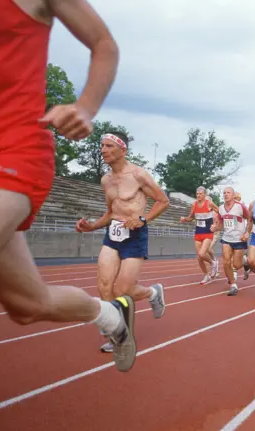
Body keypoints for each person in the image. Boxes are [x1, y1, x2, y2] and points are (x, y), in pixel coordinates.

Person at [0, 0, 140, 378]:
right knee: (27, 304)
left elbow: (104, 44)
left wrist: (85, 107)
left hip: (9, 153)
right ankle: (111, 316)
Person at [75, 132, 169, 353]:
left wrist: (142, 218)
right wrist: (92, 226)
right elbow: (110, 212)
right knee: (104, 287)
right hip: (113, 234)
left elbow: (163, 201)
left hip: (135, 235)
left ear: (122, 150)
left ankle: (153, 293)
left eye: (109, 146)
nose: (103, 150)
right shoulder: (106, 180)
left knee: (123, 289)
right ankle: (119, 334)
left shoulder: (138, 175)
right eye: (102, 146)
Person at [179, 186, 220, 284]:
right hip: (198, 233)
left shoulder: (209, 203)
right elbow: (191, 218)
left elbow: (221, 213)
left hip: (207, 233)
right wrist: (184, 219)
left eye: (200, 194)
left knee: (202, 254)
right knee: (199, 257)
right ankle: (206, 275)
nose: (198, 195)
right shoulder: (194, 205)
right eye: (197, 194)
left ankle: (213, 263)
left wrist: (216, 224)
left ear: (204, 195)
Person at [214, 187, 249, 296]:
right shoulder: (221, 208)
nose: (226, 194)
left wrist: (247, 232)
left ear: (233, 195)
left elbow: (250, 219)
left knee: (237, 265)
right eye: (224, 193)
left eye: (228, 192)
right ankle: (233, 285)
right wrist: (215, 227)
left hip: (239, 238)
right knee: (226, 262)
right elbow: (220, 224)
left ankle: (245, 261)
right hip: (227, 238)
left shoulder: (240, 207)